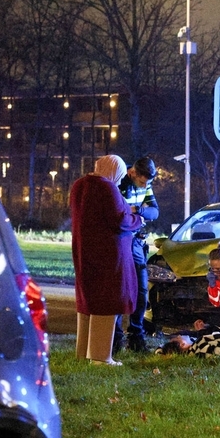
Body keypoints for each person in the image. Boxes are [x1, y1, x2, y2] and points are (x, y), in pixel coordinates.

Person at [70, 155, 144, 366]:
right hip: (109, 255)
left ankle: (84, 352)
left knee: (89, 303)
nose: (119, 181)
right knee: (107, 301)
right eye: (119, 175)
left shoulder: (79, 186)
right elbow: (119, 219)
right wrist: (138, 220)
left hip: (85, 251)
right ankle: (101, 356)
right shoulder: (106, 187)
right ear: (113, 171)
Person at [114, 156, 159, 353]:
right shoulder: (118, 185)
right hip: (121, 241)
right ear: (132, 173)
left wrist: (137, 209)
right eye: (142, 182)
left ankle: (136, 336)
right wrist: (138, 213)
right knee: (119, 289)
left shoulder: (145, 185)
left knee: (141, 290)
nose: (145, 186)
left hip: (137, 243)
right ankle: (115, 337)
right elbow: (119, 215)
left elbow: (155, 212)